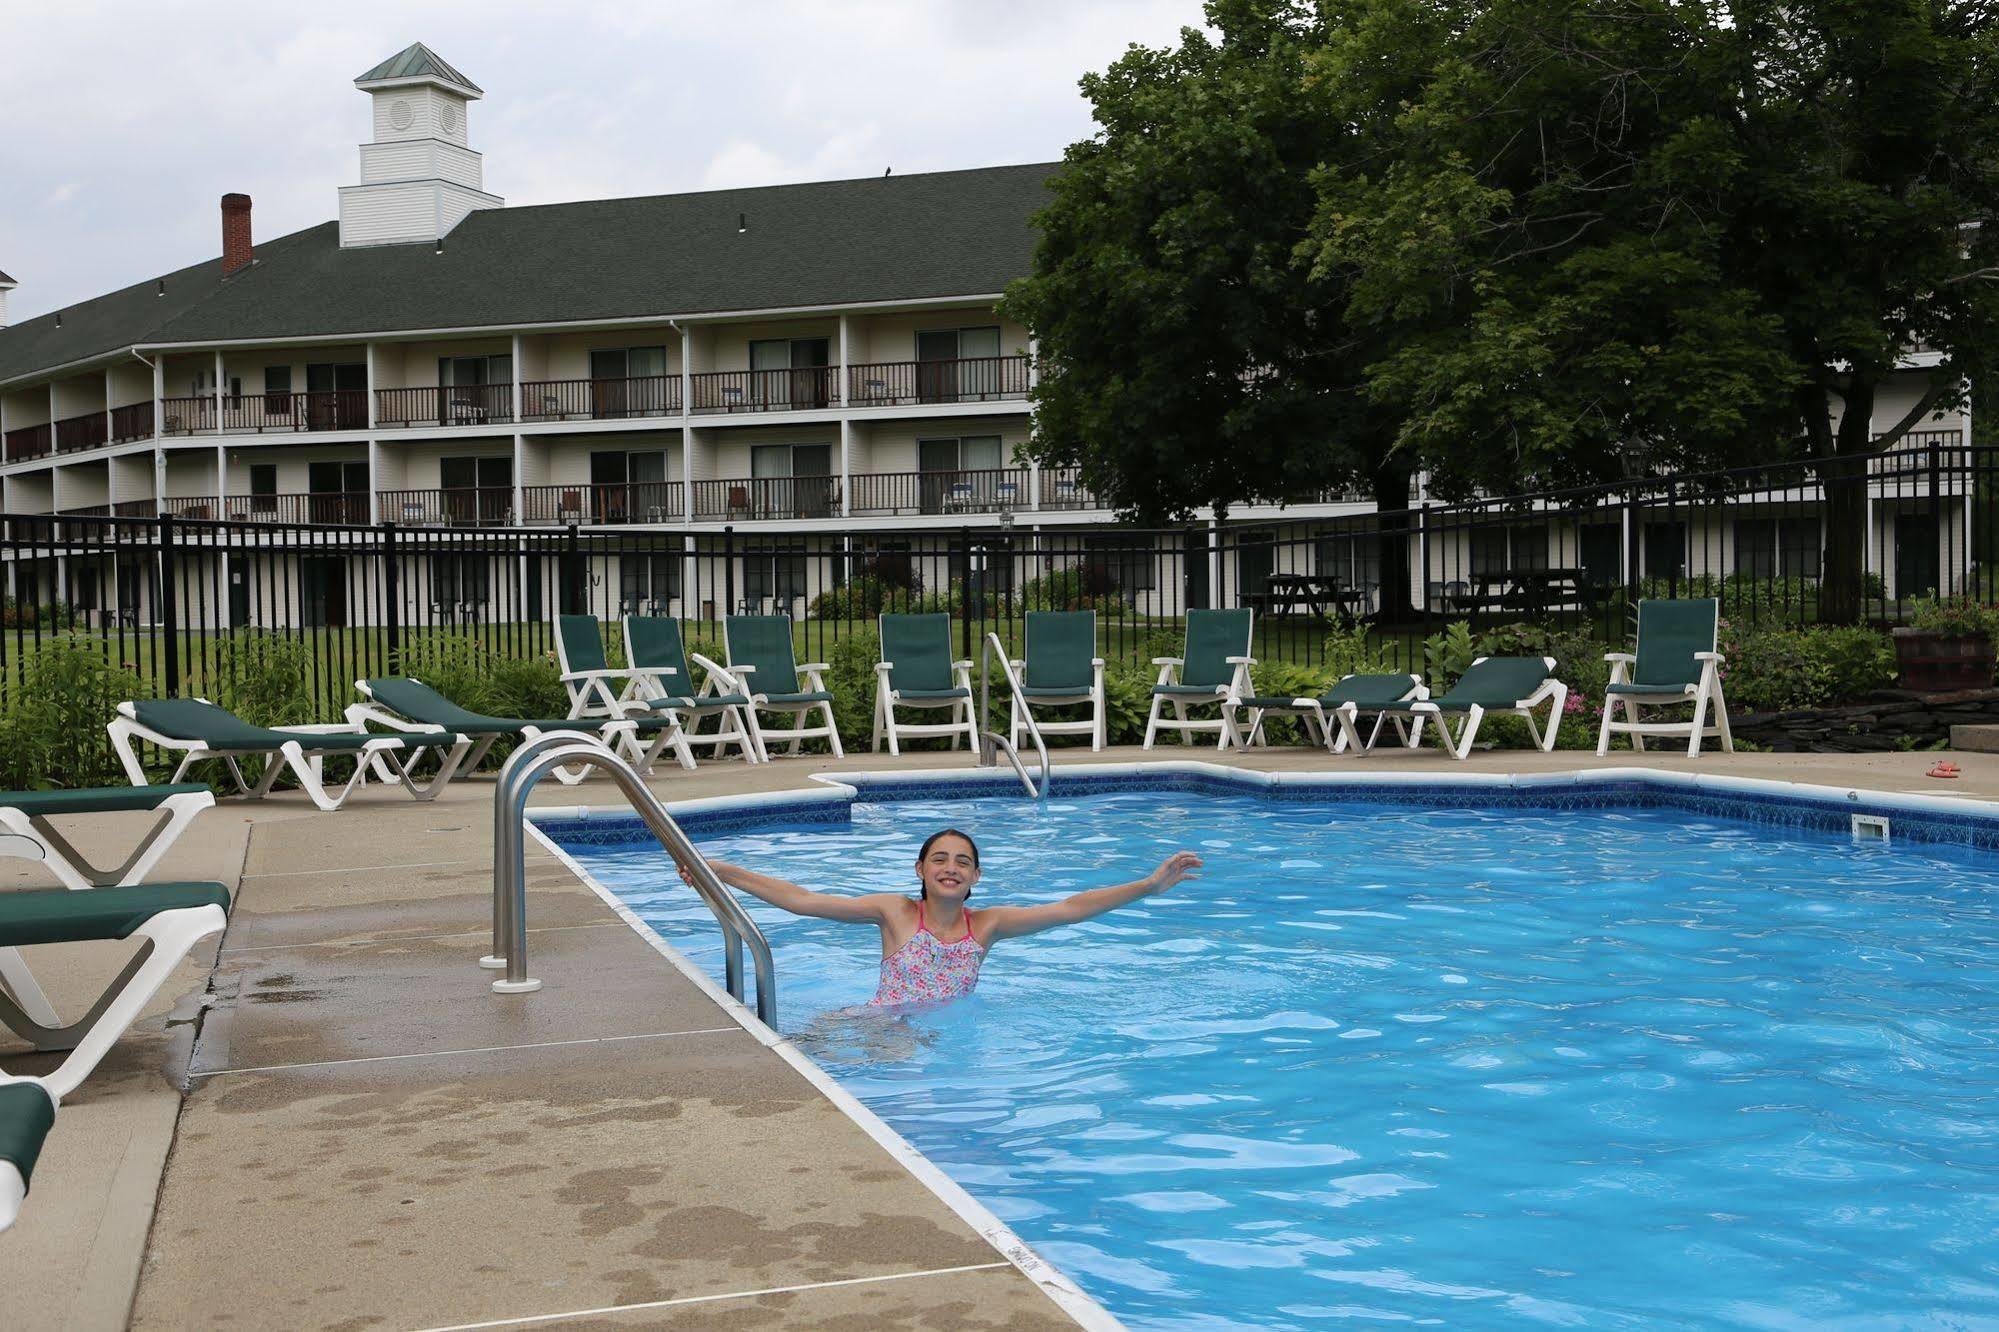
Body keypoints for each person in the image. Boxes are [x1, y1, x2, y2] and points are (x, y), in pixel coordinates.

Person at [686, 828, 1202, 1007]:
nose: (950, 868)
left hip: (944, 1035)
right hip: (886, 1026)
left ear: (976, 877)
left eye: (962, 862)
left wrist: (1148, 886)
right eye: (940, 859)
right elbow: (803, 900)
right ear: (920, 869)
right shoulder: (895, 912)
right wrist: (725, 872)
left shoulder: (989, 925)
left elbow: (1071, 909)